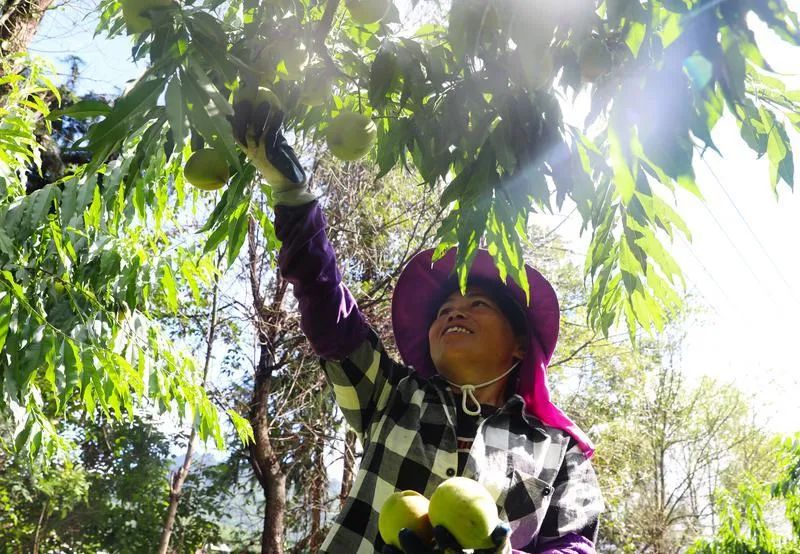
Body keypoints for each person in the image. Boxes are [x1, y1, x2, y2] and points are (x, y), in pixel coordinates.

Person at [231, 99, 604, 553]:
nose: (453, 312)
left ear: (521, 346)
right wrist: (293, 196)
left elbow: (576, 544)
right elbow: (330, 311)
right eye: (444, 309)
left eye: (478, 303)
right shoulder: (392, 397)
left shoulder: (556, 449)